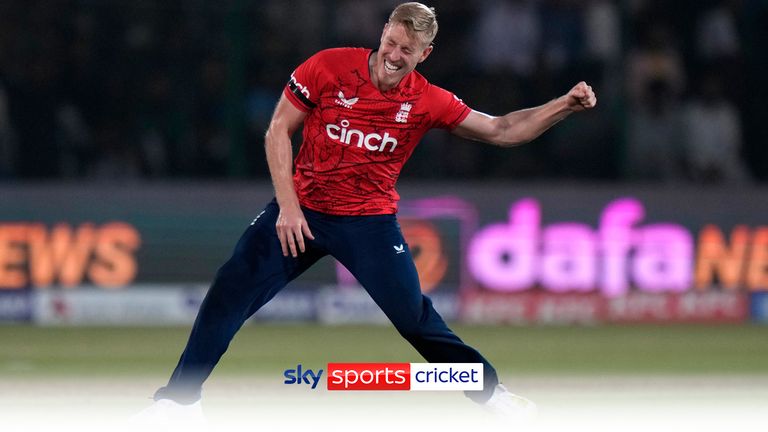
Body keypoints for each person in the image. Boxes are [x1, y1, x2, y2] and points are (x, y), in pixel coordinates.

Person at [134, 1, 596, 422]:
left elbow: (501, 130)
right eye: (391, 42)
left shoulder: (427, 100)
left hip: (369, 224)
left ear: (425, 54)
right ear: (382, 34)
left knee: (416, 321)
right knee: (228, 292)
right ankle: (179, 404)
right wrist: (289, 208)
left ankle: (494, 396)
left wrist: (565, 105)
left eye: (408, 50)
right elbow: (278, 131)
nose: (395, 55)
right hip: (302, 212)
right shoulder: (328, 67)